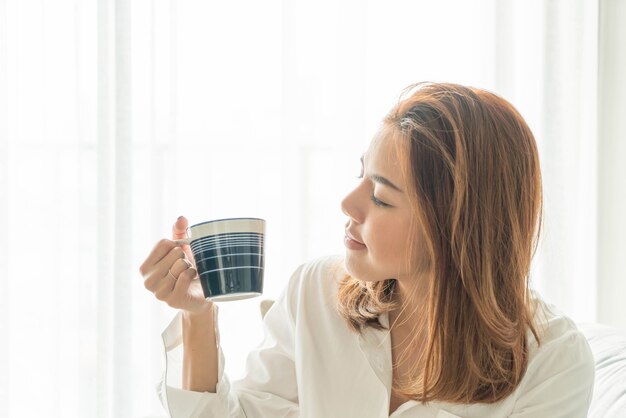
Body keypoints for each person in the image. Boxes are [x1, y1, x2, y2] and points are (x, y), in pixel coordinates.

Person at [140, 82, 595, 417]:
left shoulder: (551, 359)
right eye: (362, 175)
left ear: (455, 229)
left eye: (381, 196)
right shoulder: (314, 291)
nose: (348, 203)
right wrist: (198, 317)